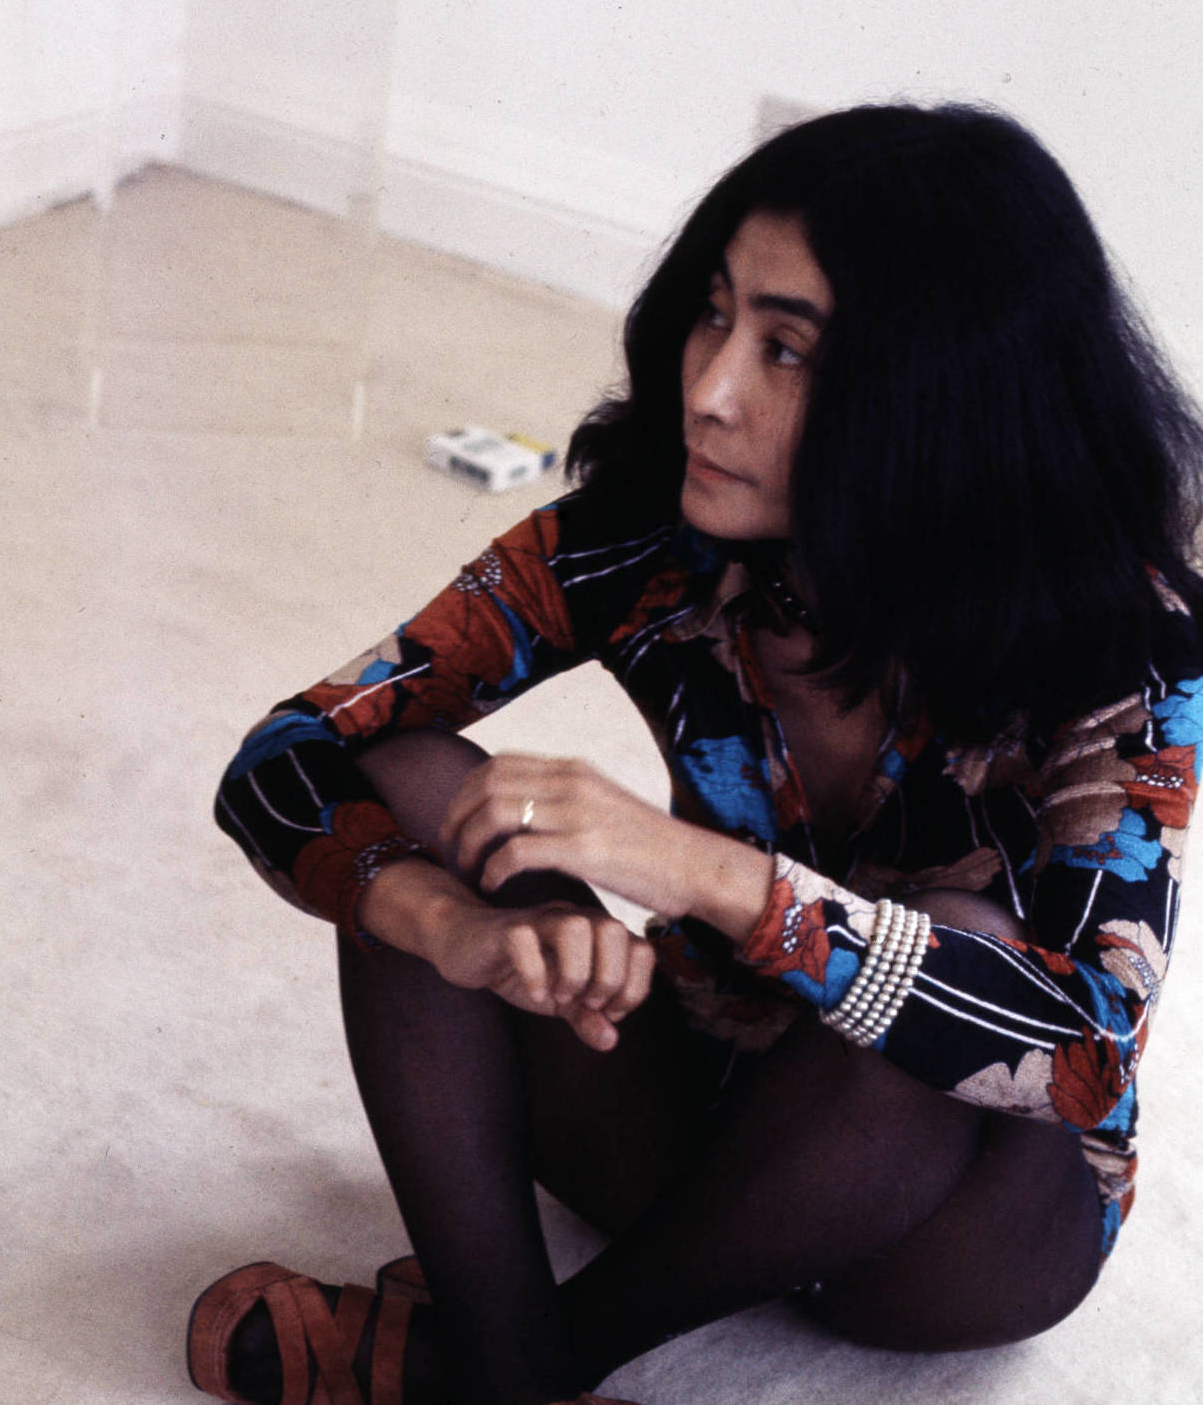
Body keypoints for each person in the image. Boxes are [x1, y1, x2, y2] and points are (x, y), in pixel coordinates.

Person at [191, 104, 1202, 1405]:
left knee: (961, 942)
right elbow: (287, 753)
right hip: (689, 1107)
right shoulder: (642, 541)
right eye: (714, 315)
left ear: (938, 391)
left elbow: (1079, 1048)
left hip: (956, 1231)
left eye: (787, 351)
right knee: (420, 784)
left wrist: (699, 873)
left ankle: (513, 1365)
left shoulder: (1122, 641)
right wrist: (439, 921)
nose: (710, 388)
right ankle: (506, 1366)